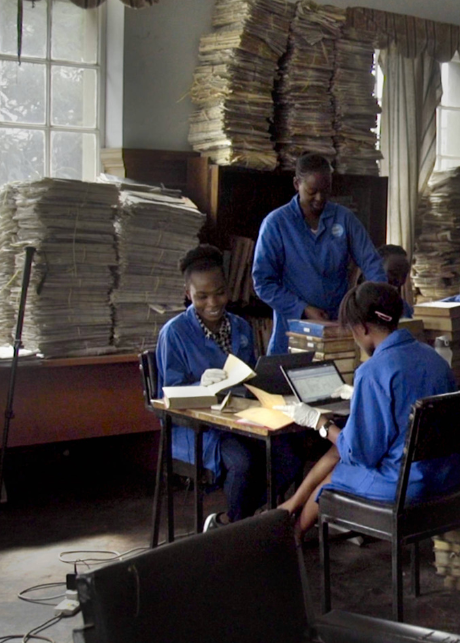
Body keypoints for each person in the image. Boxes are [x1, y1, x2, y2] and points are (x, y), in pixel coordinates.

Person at [280, 282, 460, 535]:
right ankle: (290, 507)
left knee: (332, 479)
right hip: (444, 476)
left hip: (403, 486)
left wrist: (320, 423)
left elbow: (360, 454)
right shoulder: (434, 358)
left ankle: (291, 535)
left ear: (361, 328)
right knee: (337, 452)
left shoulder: (372, 371)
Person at [156, 245, 303, 530]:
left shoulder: (241, 327)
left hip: (241, 420)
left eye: (220, 292)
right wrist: (201, 385)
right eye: (202, 296)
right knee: (244, 462)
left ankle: (231, 521)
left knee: (290, 455)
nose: (213, 302)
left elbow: (249, 377)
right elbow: (170, 393)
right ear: (188, 294)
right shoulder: (174, 333)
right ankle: (240, 528)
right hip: (199, 428)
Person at [253, 152, 388, 356]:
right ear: (297, 184)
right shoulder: (276, 224)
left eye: (326, 191)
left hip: (339, 327)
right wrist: (303, 309)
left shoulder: (344, 218)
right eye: (312, 191)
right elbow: (263, 283)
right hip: (292, 330)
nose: (320, 198)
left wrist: (375, 305)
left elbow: (371, 263)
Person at [378, 244, 414, 319]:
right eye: (393, 273)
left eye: (404, 274)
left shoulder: (402, 306)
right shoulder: (357, 306)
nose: (400, 280)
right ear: (376, 270)